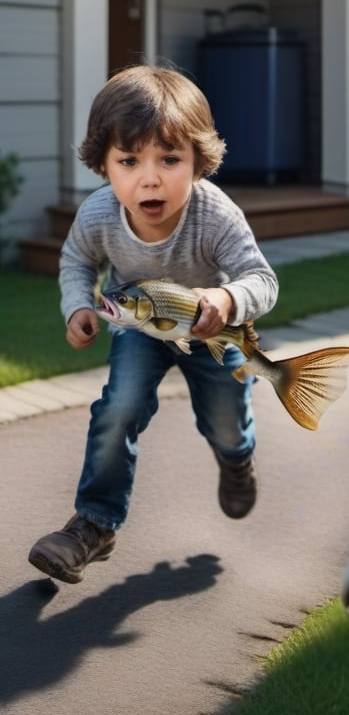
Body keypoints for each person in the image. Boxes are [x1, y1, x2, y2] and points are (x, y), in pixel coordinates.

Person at [28, 65, 279, 584]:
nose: (150, 177)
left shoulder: (217, 215)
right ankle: (92, 525)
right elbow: (77, 261)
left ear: (198, 162)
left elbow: (262, 279)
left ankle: (237, 458)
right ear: (103, 165)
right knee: (118, 408)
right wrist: (77, 306)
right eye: (128, 160)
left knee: (226, 424)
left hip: (209, 334)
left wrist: (228, 298)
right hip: (140, 329)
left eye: (170, 159)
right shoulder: (98, 215)